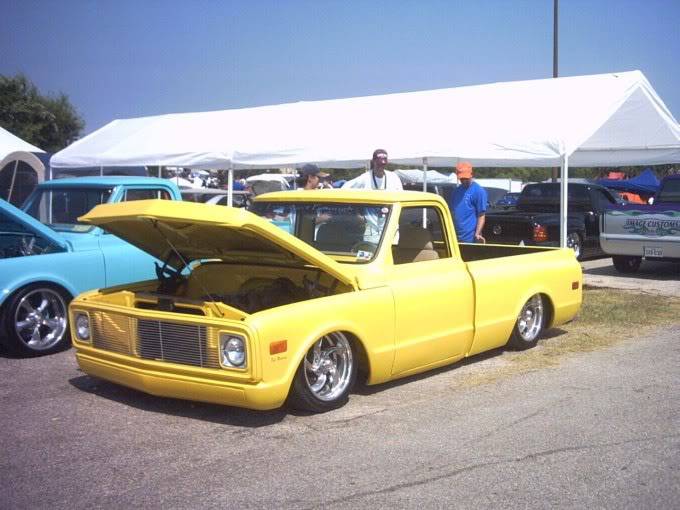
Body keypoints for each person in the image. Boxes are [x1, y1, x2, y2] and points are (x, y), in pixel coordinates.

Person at [448, 161, 487, 243]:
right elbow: (452, 213)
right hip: (455, 238)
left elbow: (481, 215)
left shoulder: (479, 191)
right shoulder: (455, 192)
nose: (464, 180)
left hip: (470, 239)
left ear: (471, 175)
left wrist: (478, 233)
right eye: (462, 178)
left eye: (466, 178)